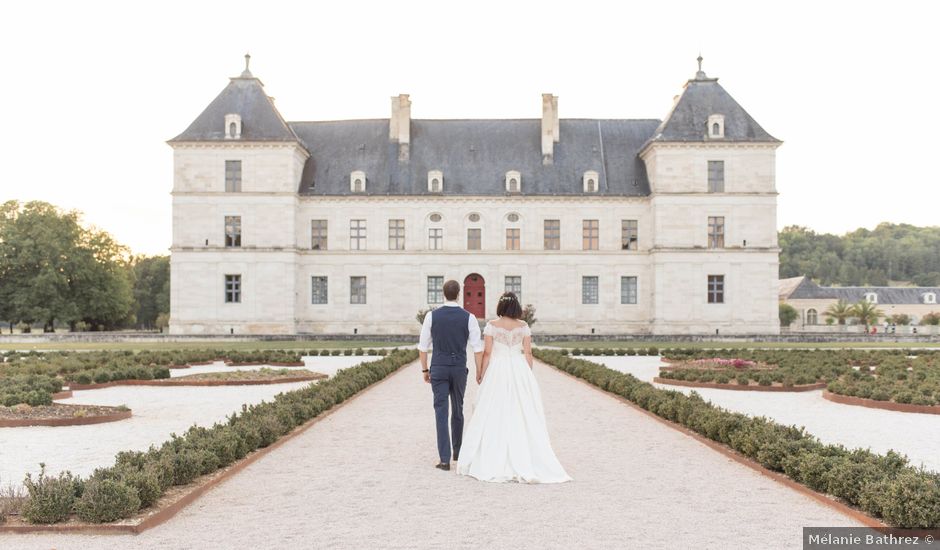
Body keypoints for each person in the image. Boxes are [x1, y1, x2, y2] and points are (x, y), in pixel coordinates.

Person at [457, 292, 571, 483]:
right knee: (521, 409)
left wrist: (481, 374)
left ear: (501, 307)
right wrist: (528, 375)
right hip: (518, 368)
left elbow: (487, 353)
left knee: (494, 410)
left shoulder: (492, 326)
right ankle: (525, 454)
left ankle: (494, 452)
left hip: (498, 369)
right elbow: (528, 353)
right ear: (516, 307)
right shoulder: (523, 326)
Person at [417, 280, 483, 471]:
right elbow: (477, 348)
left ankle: (444, 459)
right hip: (458, 368)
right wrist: (479, 371)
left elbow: (423, 347)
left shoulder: (432, 316)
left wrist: (424, 370)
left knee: (441, 411)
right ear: (459, 294)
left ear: (443, 294)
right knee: (458, 409)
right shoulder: (469, 317)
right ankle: (458, 451)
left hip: (438, 367)